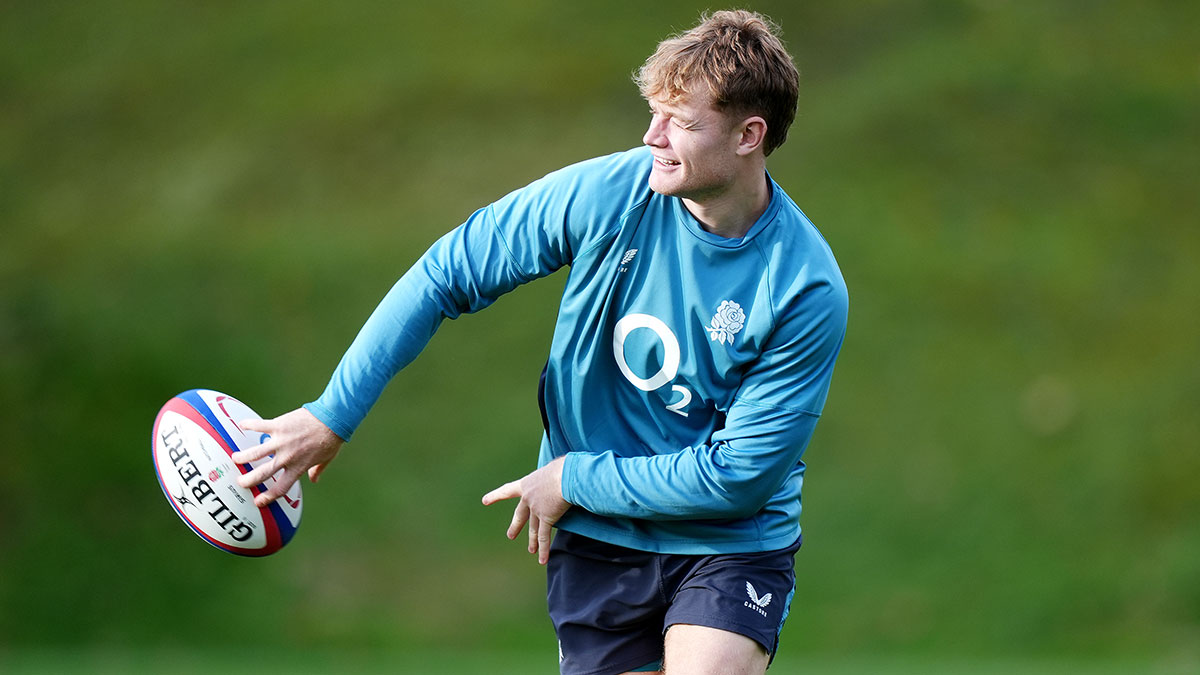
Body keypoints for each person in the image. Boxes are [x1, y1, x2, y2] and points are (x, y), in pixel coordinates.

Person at [231, 10, 847, 675]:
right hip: (597, 531)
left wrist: (572, 475)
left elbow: (735, 479)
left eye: (682, 124)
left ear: (749, 135)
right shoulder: (609, 195)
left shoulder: (803, 286)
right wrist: (332, 413)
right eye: (653, 114)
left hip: (725, 539)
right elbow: (448, 273)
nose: (652, 137)